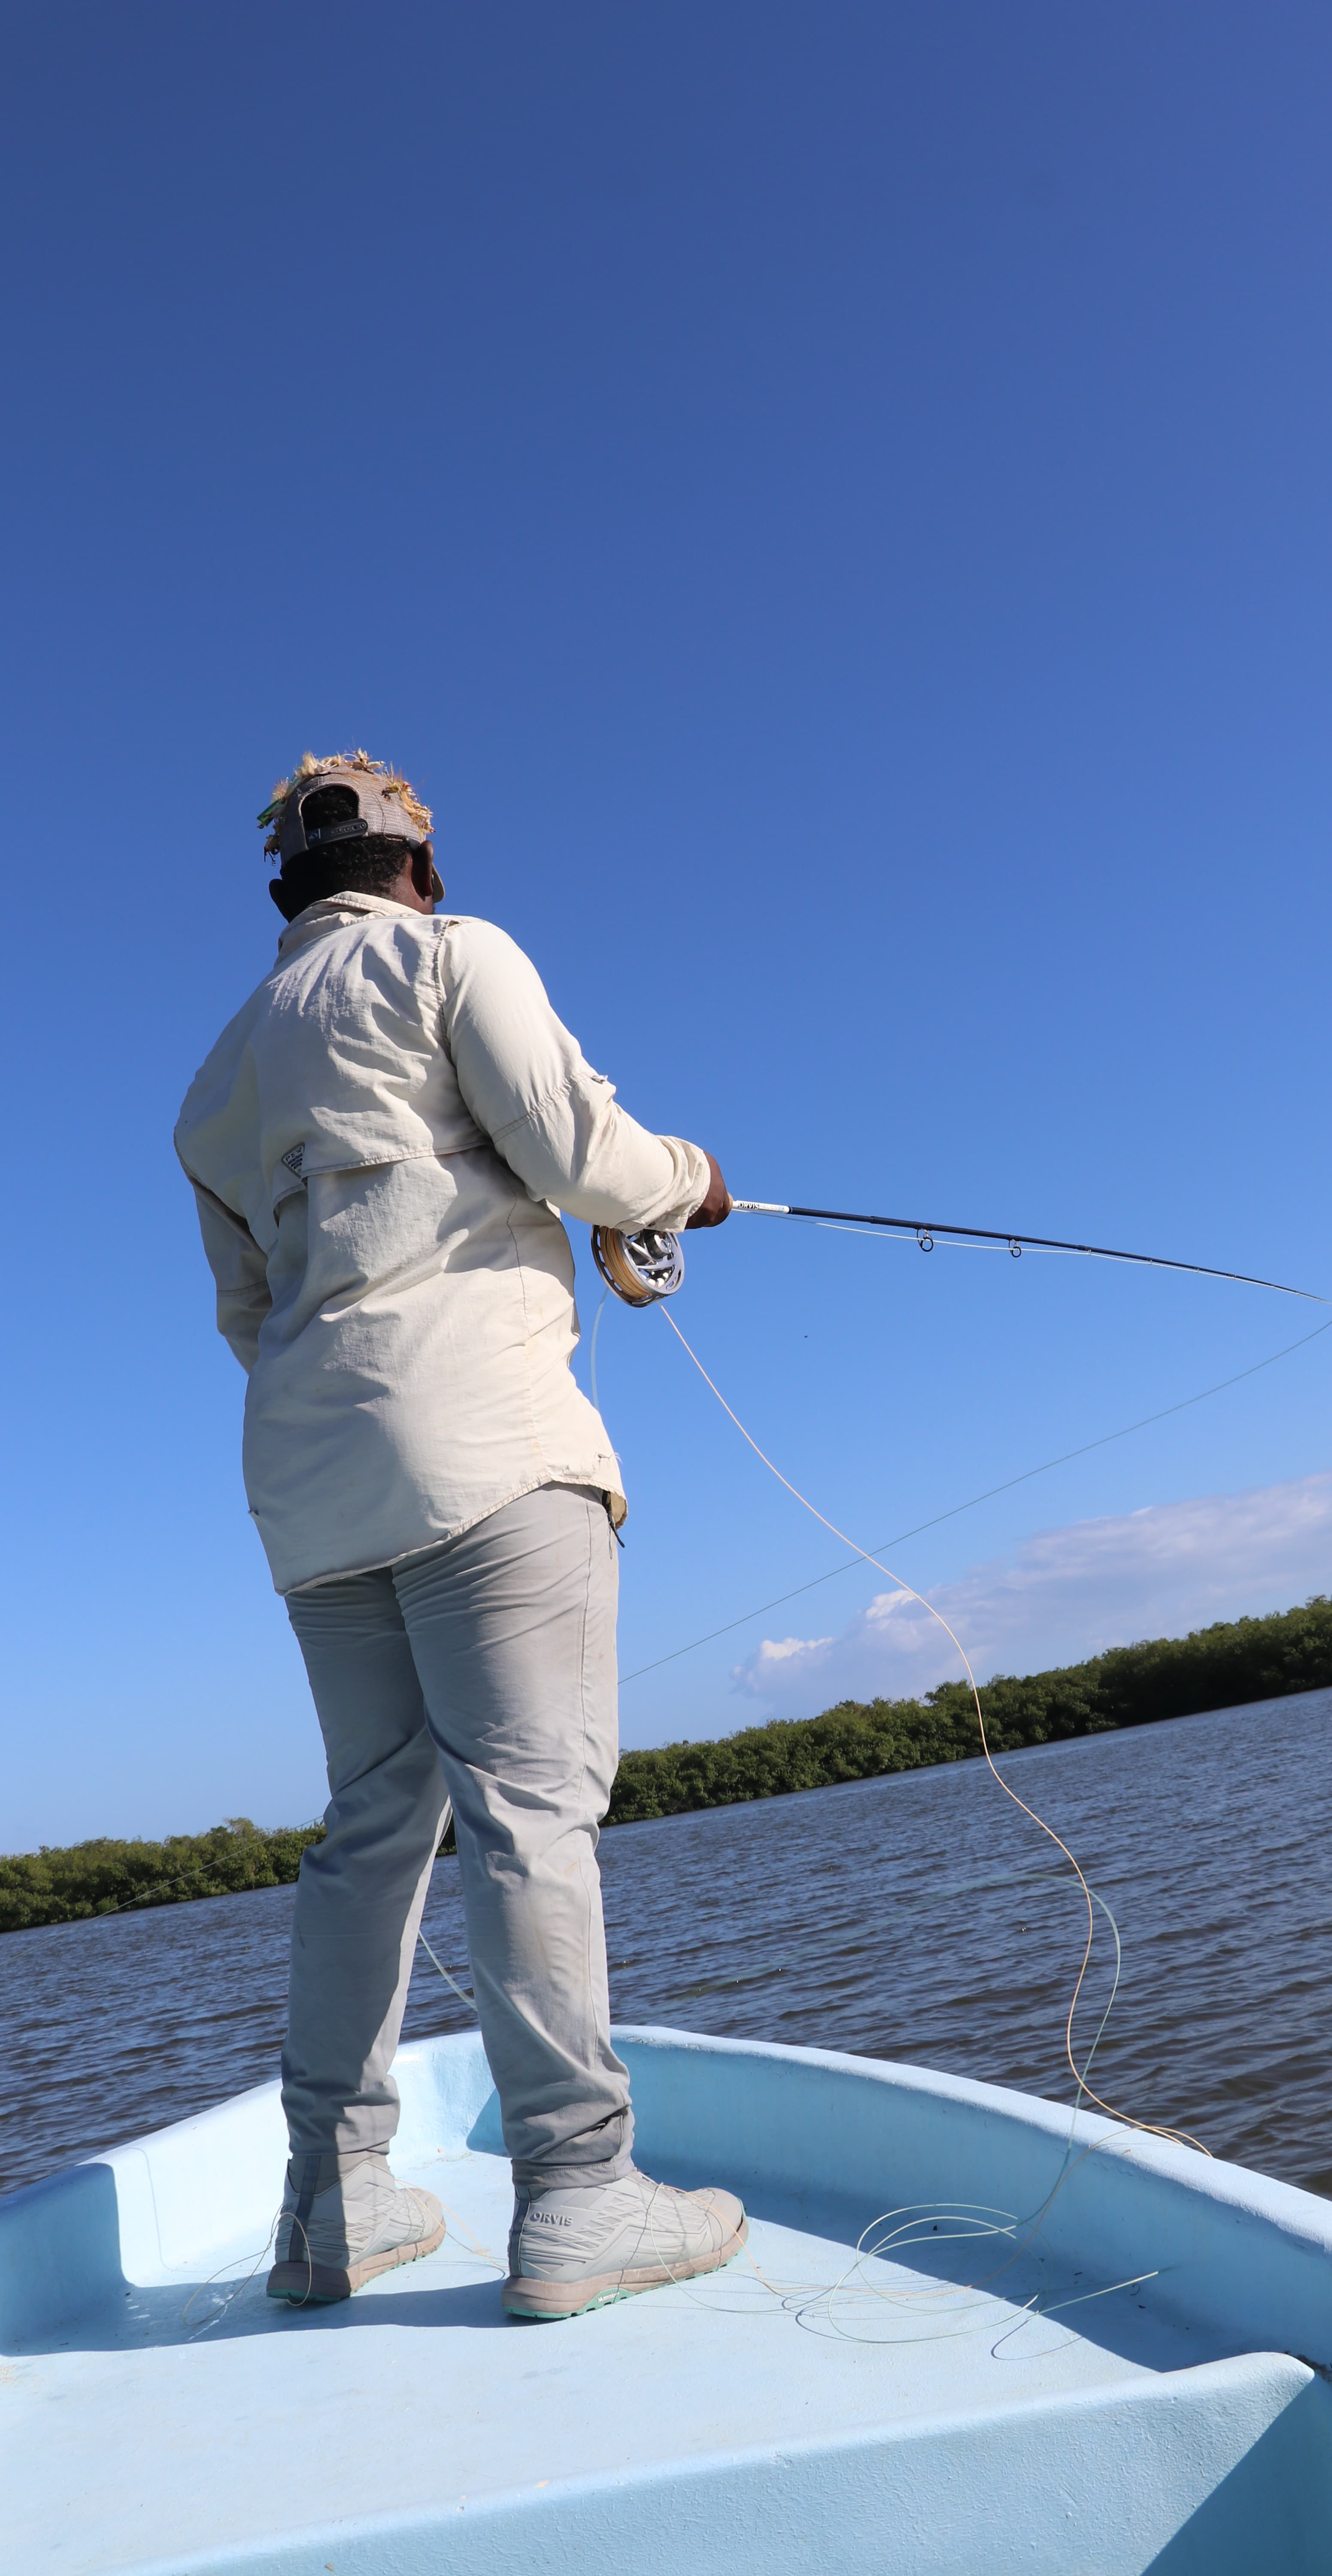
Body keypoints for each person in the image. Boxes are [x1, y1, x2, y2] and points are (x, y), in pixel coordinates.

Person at [174, 751, 745, 2320]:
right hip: (486, 1446)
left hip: (309, 1482)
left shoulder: (212, 1084)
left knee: (372, 1827)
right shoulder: (453, 953)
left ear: (285, 887)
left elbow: (248, 1314)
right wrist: (689, 1183)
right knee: (528, 1811)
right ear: (419, 868)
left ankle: (331, 2206)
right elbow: (580, 1156)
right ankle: (578, 2190)